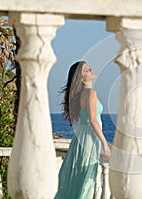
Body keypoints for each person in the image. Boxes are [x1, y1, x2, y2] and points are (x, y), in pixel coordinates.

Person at [55, 61, 111, 199]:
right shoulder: (90, 92)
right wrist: (104, 143)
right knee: (86, 180)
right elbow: (92, 120)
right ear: (80, 78)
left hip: (80, 139)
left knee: (79, 179)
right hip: (89, 140)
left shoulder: (80, 94)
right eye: (86, 70)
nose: (91, 69)